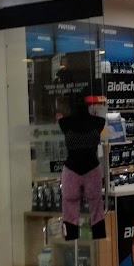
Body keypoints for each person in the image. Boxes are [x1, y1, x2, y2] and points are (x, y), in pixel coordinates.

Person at [59, 93, 106, 240]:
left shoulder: (99, 121)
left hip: (84, 169)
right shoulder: (64, 122)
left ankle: (98, 238)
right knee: (71, 206)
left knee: (96, 206)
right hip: (77, 169)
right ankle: (71, 236)